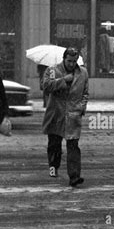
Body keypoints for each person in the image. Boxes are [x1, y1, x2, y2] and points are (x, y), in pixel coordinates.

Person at [42, 47, 89, 187]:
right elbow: (45, 86)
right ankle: (53, 167)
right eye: (69, 61)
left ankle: (74, 176)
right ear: (64, 59)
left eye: (74, 61)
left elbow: (85, 93)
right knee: (54, 144)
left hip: (73, 114)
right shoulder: (52, 71)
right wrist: (63, 80)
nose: (71, 64)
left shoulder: (83, 73)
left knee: (73, 146)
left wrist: (82, 107)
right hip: (56, 113)